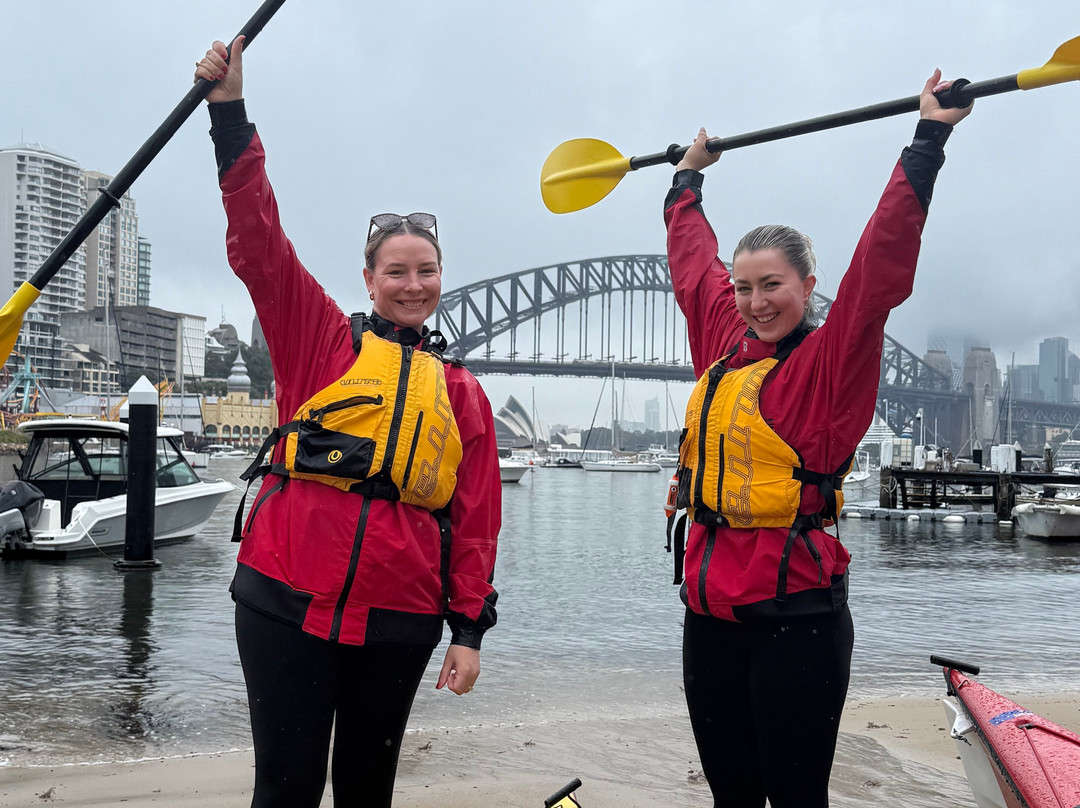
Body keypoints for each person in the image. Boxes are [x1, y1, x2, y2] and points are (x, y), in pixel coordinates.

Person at [194, 37, 500, 808]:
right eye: (396, 271)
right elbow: (260, 243)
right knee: (286, 788)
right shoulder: (321, 341)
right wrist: (229, 114)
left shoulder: (462, 393)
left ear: (441, 278)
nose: (412, 284)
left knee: (368, 791)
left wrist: (467, 632)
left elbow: (476, 527)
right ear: (368, 279)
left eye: (426, 271)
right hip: (283, 600)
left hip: (400, 618)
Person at [664, 72, 973, 807]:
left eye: (772, 285)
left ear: (807, 286)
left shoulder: (829, 364)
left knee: (797, 798)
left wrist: (928, 140)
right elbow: (693, 271)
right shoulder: (725, 346)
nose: (754, 302)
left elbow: (879, 269)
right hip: (708, 616)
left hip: (795, 617)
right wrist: (685, 183)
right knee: (733, 797)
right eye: (744, 287)